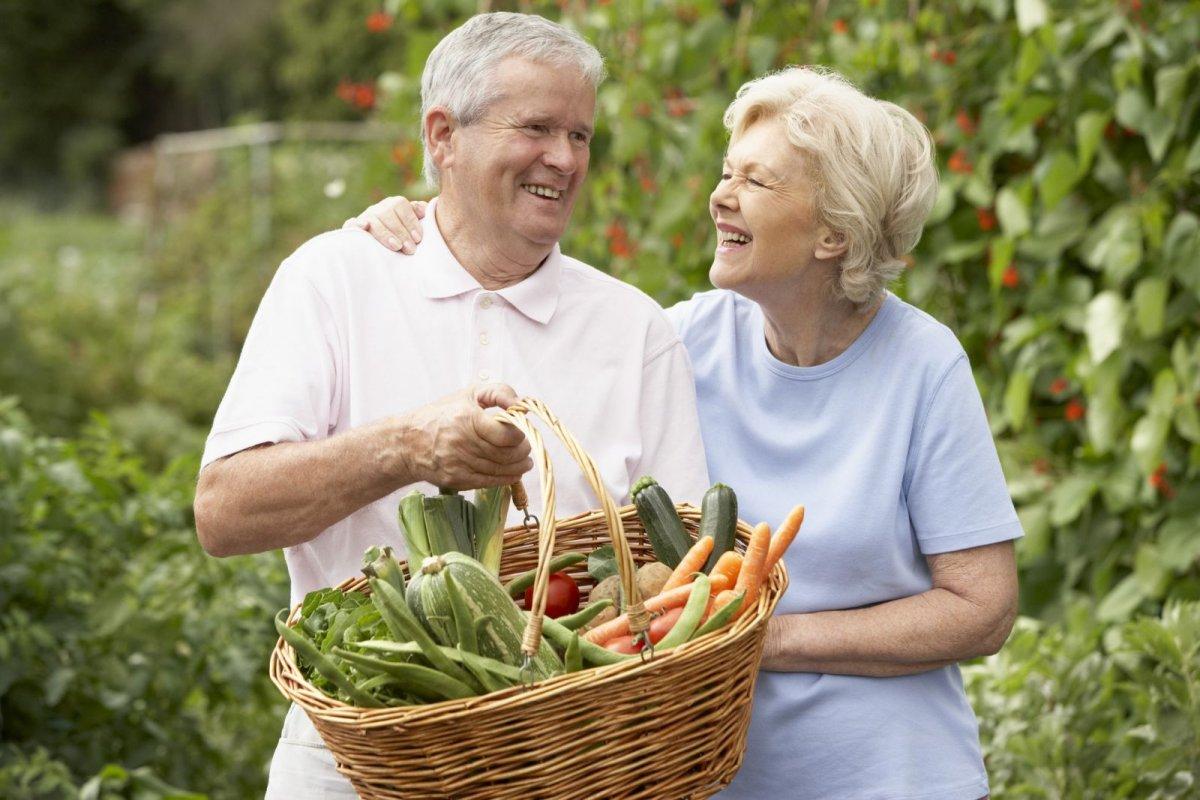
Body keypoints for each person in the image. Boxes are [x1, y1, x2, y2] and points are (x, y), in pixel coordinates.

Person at [351, 66, 1021, 800]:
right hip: (709, 777)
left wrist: (758, 636)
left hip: (893, 779)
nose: (719, 195)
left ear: (836, 231)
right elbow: (535, 346)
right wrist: (440, 229)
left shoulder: (923, 365)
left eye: (756, 182)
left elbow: (981, 608)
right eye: (726, 171)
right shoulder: (686, 337)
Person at [193, 12, 709, 799]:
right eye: (537, 127)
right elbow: (224, 514)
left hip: (569, 762)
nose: (565, 159)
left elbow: (681, 577)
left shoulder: (633, 328)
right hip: (356, 757)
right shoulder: (334, 279)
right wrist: (405, 448)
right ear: (443, 137)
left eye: (581, 134)